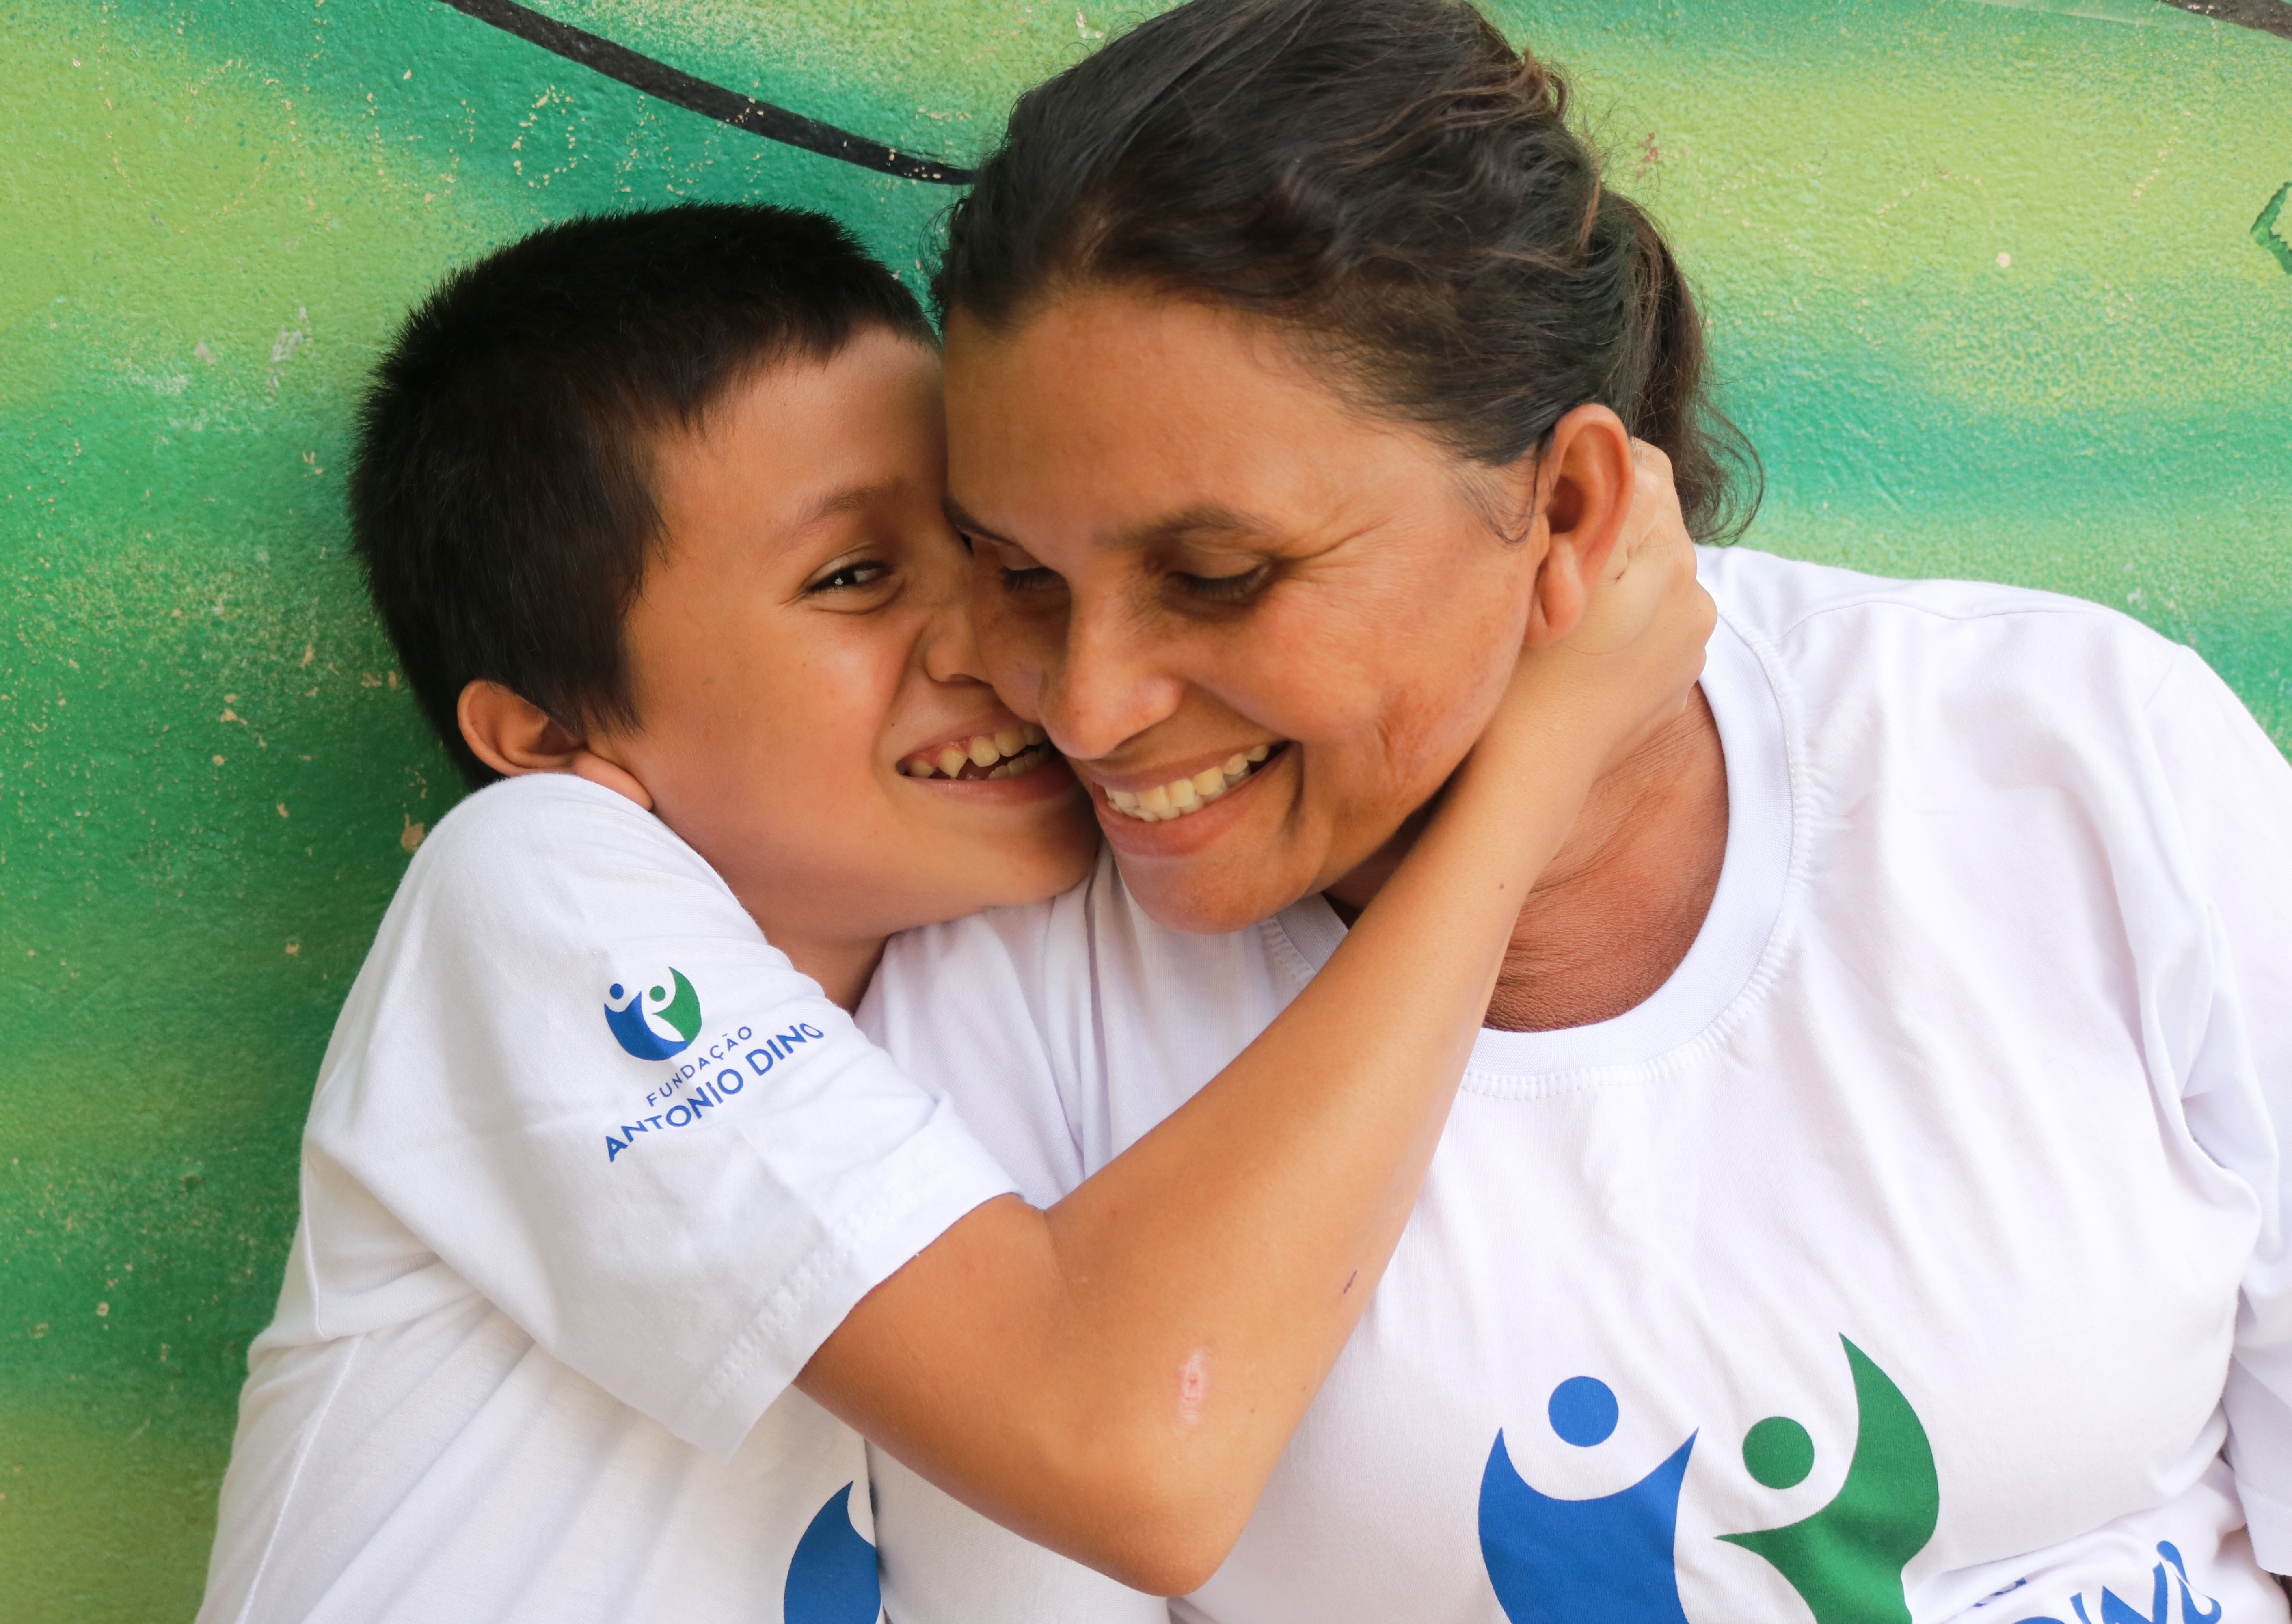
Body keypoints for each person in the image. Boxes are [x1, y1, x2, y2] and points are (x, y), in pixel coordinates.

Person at [859, 2, 2292, 1622]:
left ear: (1574, 507)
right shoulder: (1006, 994)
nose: (1090, 702)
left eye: (1218, 577)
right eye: (1021, 571)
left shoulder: (2080, 762)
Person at [194, 202, 1709, 1622]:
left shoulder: (1004, 1003)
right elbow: (1131, 1449)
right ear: (545, 738)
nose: (1002, 642)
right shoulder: (529, 880)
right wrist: (1536, 766)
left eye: (1000, 560)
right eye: (855, 576)